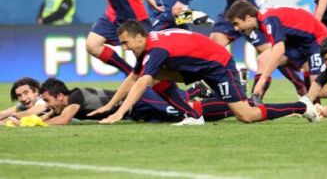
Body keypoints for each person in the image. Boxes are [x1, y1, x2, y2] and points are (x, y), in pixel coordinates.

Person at [88, 19, 321, 126]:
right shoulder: (149, 45)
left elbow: (140, 83)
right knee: (155, 75)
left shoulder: (155, 49)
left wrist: (120, 113)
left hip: (218, 65)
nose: (124, 48)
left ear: (139, 37)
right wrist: (111, 106)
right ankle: (192, 115)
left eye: (126, 43)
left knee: (246, 115)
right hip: (200, 66)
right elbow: (133, 77)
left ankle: (302, 106)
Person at [226, 0, 327, 99]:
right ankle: (254, 103)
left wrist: (263, 79)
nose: (236, 28)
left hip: (318, 39)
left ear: (248, 18)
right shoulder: (263, 19)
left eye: (236, 23)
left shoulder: (268, 19)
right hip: (301, 43)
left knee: (318, 91)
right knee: (263, 59)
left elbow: (279, 50)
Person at [38, 78, 211, 125]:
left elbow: (63, 120)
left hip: (140, 99)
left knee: (182, 110)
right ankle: (198, 90)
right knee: (176, 115)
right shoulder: (64, 105)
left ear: (60, 96)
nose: (46, 104)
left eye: (47, 99)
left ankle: (221, 100)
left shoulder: (75, 96)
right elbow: (52, 115)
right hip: (137, 112)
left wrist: (35, 124)